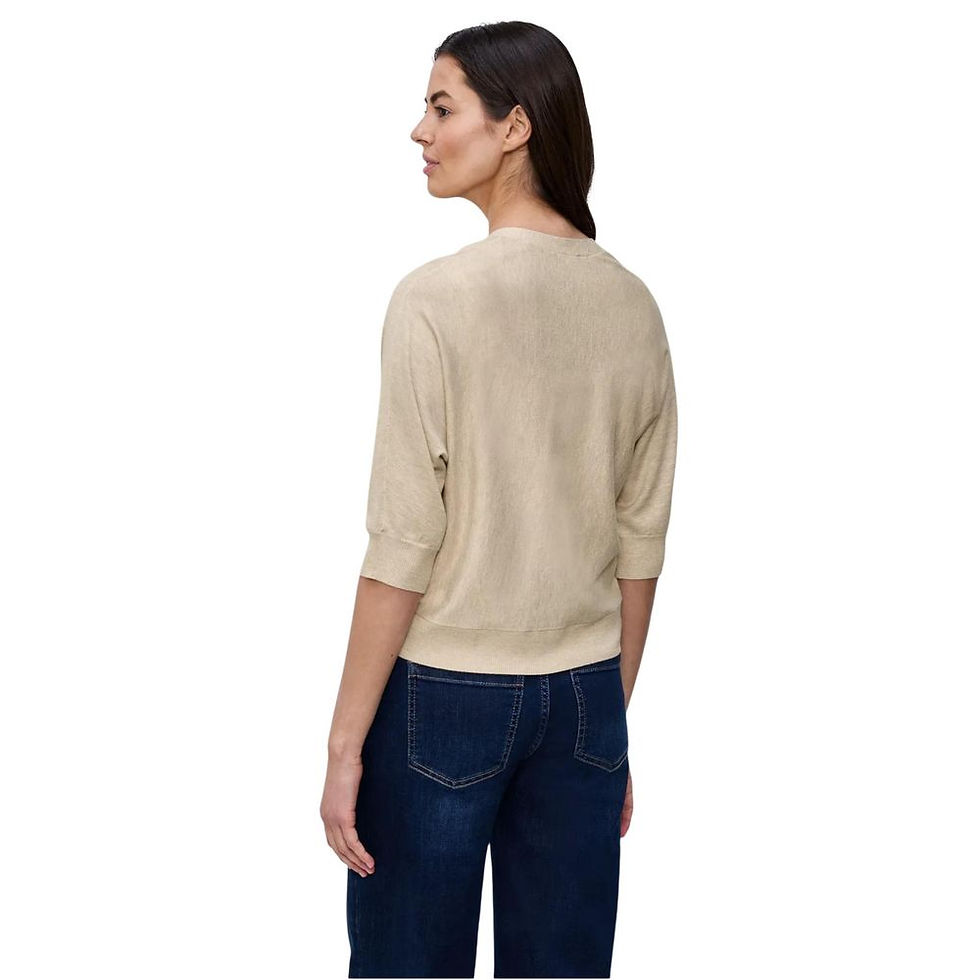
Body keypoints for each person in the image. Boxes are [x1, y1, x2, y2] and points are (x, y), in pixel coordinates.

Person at [320, 20, 678, 979]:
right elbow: (640, 540)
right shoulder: (633, 305)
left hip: (444, 695)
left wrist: (345, 744)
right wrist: (605, 727)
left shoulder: (435, 302)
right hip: (587, 696)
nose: (420, 131)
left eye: (442, 108)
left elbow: (405, 540)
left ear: (514, 127)